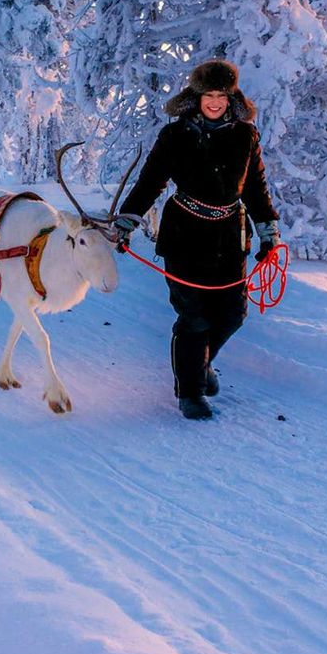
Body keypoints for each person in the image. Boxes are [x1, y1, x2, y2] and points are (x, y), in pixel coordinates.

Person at [114, 60, 280, 421]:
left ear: (231, 97)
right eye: (209, 95)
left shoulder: (245, 136)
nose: (216, 102)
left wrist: (267, 228)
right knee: (194, 317)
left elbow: (255, 187)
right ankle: (190, 392)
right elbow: (150, 182)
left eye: (223, 95)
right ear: (197, 96)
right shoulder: (174, 137)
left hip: (230, 237)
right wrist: (127, 221)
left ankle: (201, 364)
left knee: (233, 313)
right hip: (184, 236)